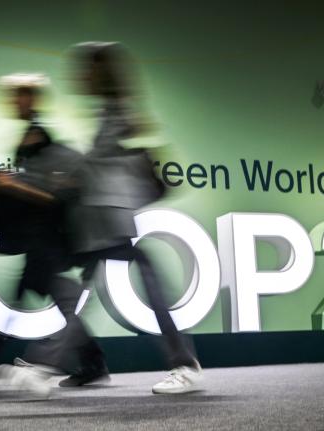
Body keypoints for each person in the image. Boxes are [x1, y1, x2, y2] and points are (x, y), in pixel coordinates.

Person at [69, 42, 203, 394]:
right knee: (80, 283)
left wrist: (80, 170)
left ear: (102, 72)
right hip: (99, 220)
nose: (82, 75)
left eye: (88, 68)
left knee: (135, 272)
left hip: (109, 218)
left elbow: (126, 150)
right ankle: (85, 364)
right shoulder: (107, 111)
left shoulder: (118, 110)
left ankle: (184, 364)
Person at [0, 73, 108, 396]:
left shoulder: (48, 146)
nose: (16, 101)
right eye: (14, 96)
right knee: (61, 300)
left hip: (54, 240)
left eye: (21, 95)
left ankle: (39, 366)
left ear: (34, 98)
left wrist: (13, 185)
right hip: (39, 239)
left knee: (62, 301)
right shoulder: (27, 142)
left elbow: (55, 196)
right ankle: (92, 363)